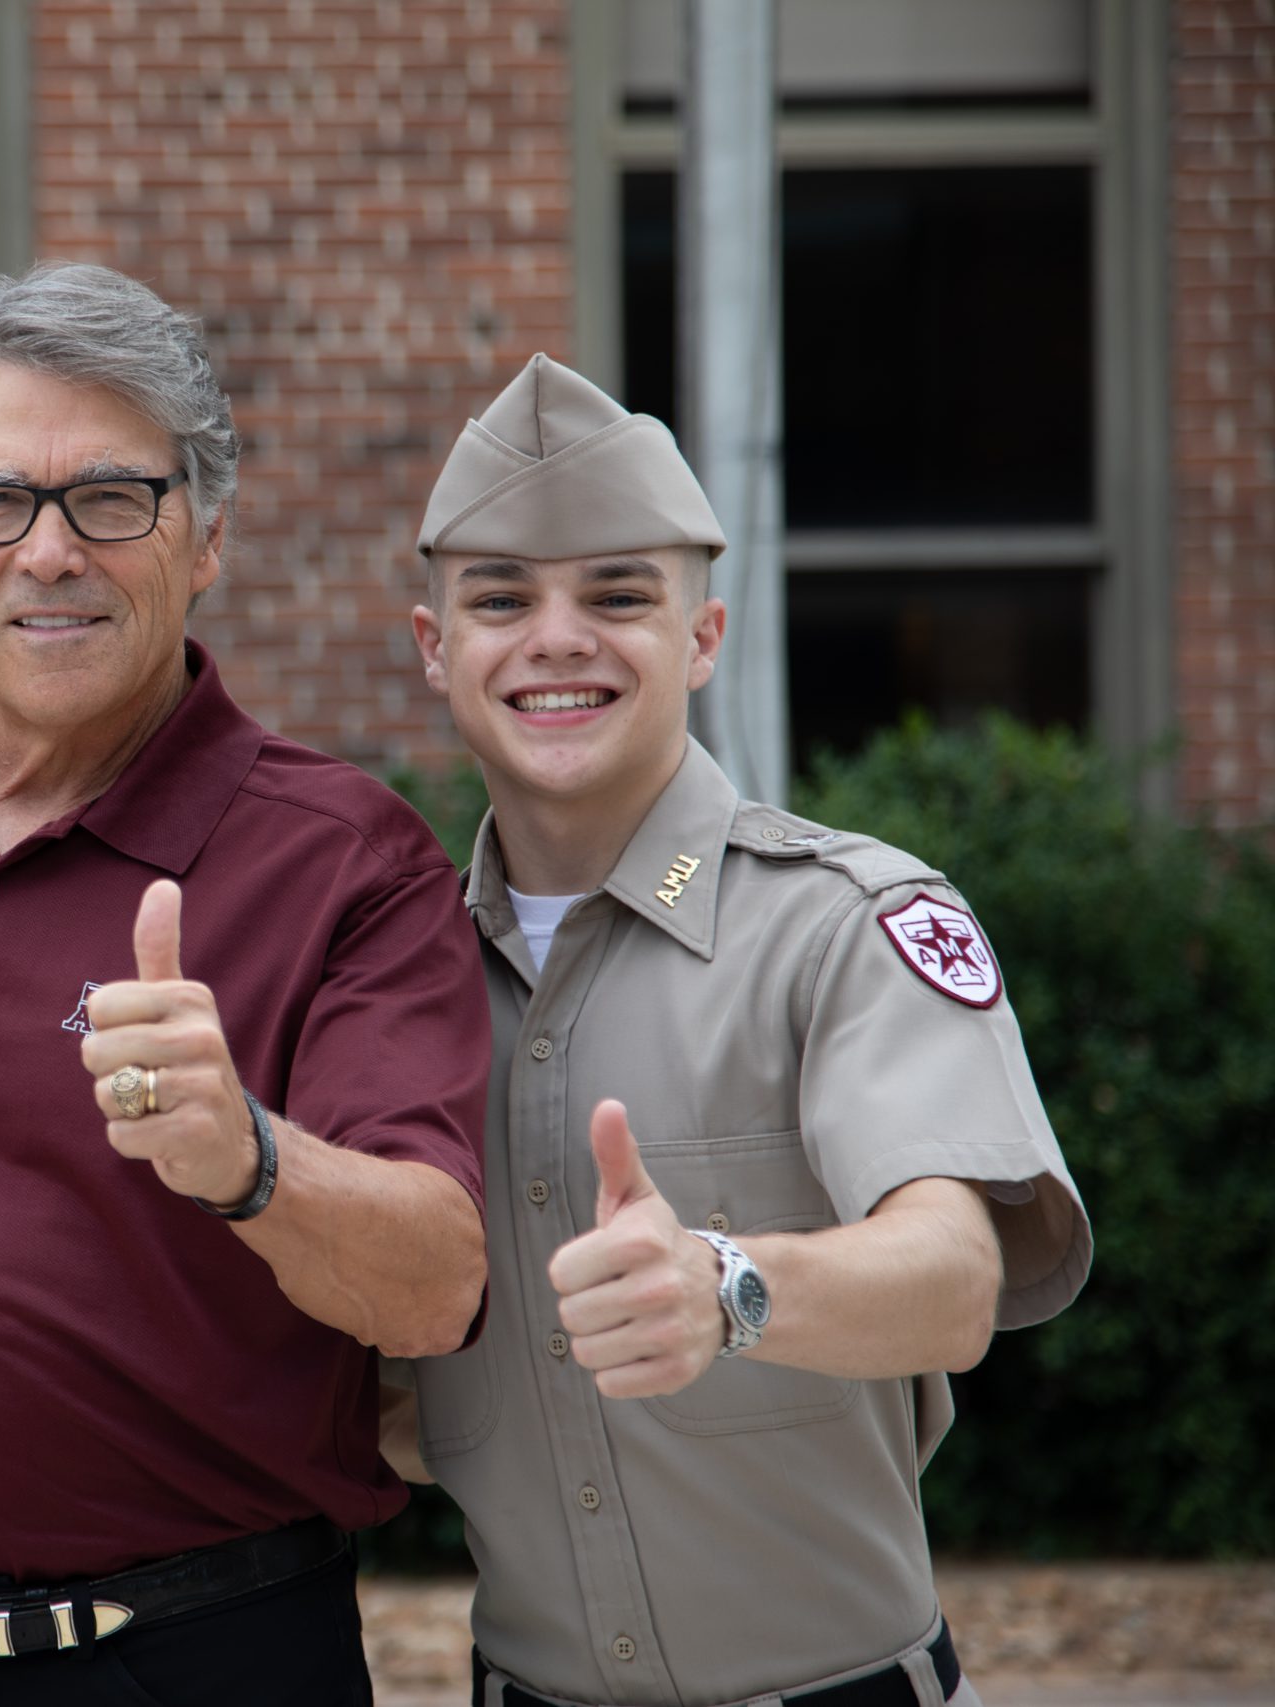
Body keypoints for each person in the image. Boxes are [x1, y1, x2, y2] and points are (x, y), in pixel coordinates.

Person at [0, 261, 491, 1703]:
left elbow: (435, 1286)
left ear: (208, 542)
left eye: (111, 500)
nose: (48, 552)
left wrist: (248, 1159)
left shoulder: (349, 863)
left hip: (193, 1657)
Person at [392, 353, 1092, 1707]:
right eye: (500, 600)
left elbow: (956, 1280)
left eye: (617, 596)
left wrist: (727, 1289)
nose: (558, 638)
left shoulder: (844, 924)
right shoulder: (393, 974)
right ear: (435, 649)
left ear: (704, 639)